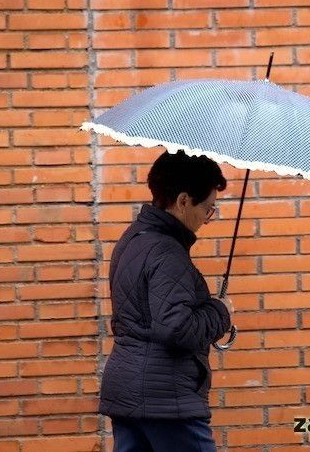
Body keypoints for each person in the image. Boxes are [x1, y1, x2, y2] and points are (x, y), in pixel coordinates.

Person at [100, 149, 235, 452]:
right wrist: (220, 312)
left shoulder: (133, 238)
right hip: (166, 400)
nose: (207, 218)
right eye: (208, 209)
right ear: (184, 200)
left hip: (128, 391)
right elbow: (176, 328)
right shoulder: (167, 252)